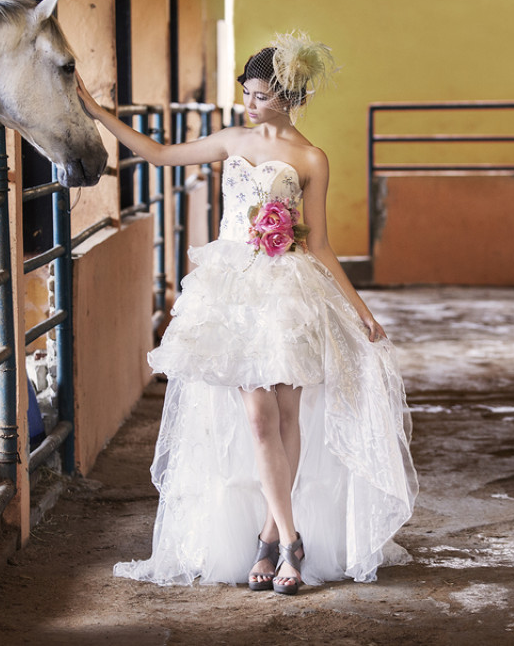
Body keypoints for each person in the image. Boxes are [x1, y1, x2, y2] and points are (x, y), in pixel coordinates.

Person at [76, 31, 417, 596]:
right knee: (260, 419)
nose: (249, 103)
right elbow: (158, 155)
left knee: (288, 418)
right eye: (247, 92)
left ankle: (269, 539)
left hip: (288, 294)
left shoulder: (311, 158)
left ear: (286, 98)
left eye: (259, 94)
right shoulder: (231, 140)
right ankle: (290, 542)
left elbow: (322, 244)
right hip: (232, 291)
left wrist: (360, 309)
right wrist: (94, 109)